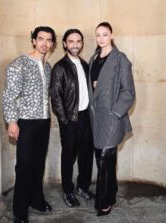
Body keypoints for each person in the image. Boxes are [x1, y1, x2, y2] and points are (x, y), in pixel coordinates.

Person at [2, 26, 56, 223]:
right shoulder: (18, 64)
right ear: (33, 40)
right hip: (25, 122)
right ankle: (20, 211)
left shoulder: (48, 67)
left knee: (38, 164)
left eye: (49, 40)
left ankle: (36, 199)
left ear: (52, 44)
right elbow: (9, 96)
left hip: (44, 121)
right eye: (40, 39)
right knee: (24, 166)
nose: (44, 43)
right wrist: (12, 122)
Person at [88, 22, 135, 216]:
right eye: (98, 35)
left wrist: (115, 113)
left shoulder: (120, 59)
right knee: (102, 159)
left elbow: (129, 91)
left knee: (105, 160)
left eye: (105, 34)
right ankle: (112, 192)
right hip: (95, 118)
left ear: (112, 36)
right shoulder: (93, 58)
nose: (101, 38)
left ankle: (104, 202)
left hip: (111, 118)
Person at [50, 29, 95, 207]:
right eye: (71, 41)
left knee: (86, 156)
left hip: (86, 118)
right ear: (64, 44)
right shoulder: (60, 67)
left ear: (82, 43)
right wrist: (65, 121)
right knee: (68, 157)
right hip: (70, 120)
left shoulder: (85, 65)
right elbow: (56, 97)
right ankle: (68, 191)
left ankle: (82, 187)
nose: (75, 44)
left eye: (78, 41)